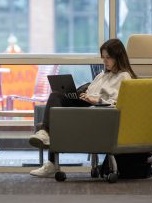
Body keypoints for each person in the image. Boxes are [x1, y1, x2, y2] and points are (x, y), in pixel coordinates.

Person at [28, 38, 137, 177]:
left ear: (118, 57)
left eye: (108, 58)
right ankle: (48, 147)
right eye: (103, 58)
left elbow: (118, 103)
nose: (105, 61)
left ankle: (49, 150)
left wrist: (95, 99)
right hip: (86, 107)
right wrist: (83, 95)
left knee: (57, 110)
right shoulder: (102, 75)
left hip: (98, 113)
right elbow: (92, 91)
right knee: (56, 97)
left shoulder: (124, 77)